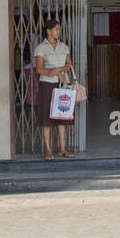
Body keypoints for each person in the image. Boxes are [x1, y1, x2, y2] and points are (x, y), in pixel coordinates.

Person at [33, 16, 76, 161]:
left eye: (59, 29)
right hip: (47, 84)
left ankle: (62, 149)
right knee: (46, 117)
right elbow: (39, 69)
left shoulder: (64, 47)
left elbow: (69, 65)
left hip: (62, 84)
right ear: (48, 31)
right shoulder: (41, 48)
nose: (58, 32)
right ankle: (48, 150)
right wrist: (57, 71)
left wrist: (58, 71)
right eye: (56, 29)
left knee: (62, 116)